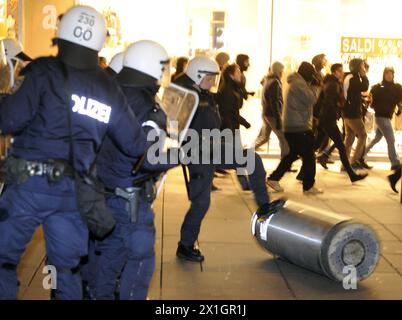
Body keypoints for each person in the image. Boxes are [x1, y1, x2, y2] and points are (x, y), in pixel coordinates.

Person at [0, 5, 147, 300]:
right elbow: (135, 144)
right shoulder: (109, 86)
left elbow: (9, 120)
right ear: (100, 41)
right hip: (72, 193)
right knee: (65, 271)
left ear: (62, 35)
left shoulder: (43, 72)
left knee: (3, 262)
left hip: (27, 187)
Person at [90, 40, 173, 300]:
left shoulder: (112, 93)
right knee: (141, 258)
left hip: (105, 189)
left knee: (112, 253)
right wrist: (182, 154)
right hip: (130, 197)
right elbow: (148, 158)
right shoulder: (148, 106)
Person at [174, 57, 272, 262]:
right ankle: (185, 245)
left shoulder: (205, 95)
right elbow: (175, 128)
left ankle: (264, 208)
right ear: (198, 76)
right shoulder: (187, 97)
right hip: (198, 153)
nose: (213, 81)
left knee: (252, 159)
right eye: (210, 77)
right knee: (201, 203)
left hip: (213, 148)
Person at [267, 62, 322, 195]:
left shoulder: (297, 82)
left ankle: (274, 178)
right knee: (309, 156)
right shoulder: (299, 84)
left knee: (292, 155)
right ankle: (308, 186)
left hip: (293, 125)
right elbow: (312, 100)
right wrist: (316, 87)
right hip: (299, 126)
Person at [316, 63, 368, 183]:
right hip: (328, 120)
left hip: (326, 119)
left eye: (342, 70)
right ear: (334, 72)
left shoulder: (330, 82)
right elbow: (328, 102)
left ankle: (314, 162)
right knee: (341, 145)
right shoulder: (333, 84)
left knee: (317, 145)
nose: (342, 73)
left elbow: (321, 101)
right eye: (339, 71)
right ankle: (351, 173)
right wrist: (335, 112)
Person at [216, 63, 251, 191]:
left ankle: (245, 184)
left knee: (233, 156)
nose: (240, 74)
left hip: (231, 127)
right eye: (237, 72)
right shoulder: (228, 90)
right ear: (231, 75)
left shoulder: (233, 87)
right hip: (228, 128)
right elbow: (229, 112)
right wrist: (244, 122)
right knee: (236, 156)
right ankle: (245, 184)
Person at [362, 67, 402, 171]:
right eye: (387, 73)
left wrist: (399, 108)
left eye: (390, 73)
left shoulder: (397, 87)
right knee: (391, 139)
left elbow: (399, 99)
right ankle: (395, 163)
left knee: (376, 139)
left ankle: (360, 156)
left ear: (393, 75)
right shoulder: (378, 87)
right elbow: (371, 101)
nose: (389, 75)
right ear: (384, 75)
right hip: (381, 116)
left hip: (385, 116)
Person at [255, 61, 289, 158]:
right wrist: (278, 118)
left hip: (266, 113)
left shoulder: (268, 80)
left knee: (264, 138)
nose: (283, 72)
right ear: (279, 70)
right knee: (283, 138)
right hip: (272, 115)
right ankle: (285, 163)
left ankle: (245, 152)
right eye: (282, 70)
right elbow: (274, 101)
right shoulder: (275, 82)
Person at [343, 58, 370, 170]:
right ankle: (353, 161)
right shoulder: (353, 79)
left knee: (349, 137)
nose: (364, 68)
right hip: (353, 113)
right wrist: (364, 75)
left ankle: (345, 164)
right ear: (358, 67)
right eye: (362, 66)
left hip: (347, 112)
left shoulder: (348, 77)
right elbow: (364, 87)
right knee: (363, 135)